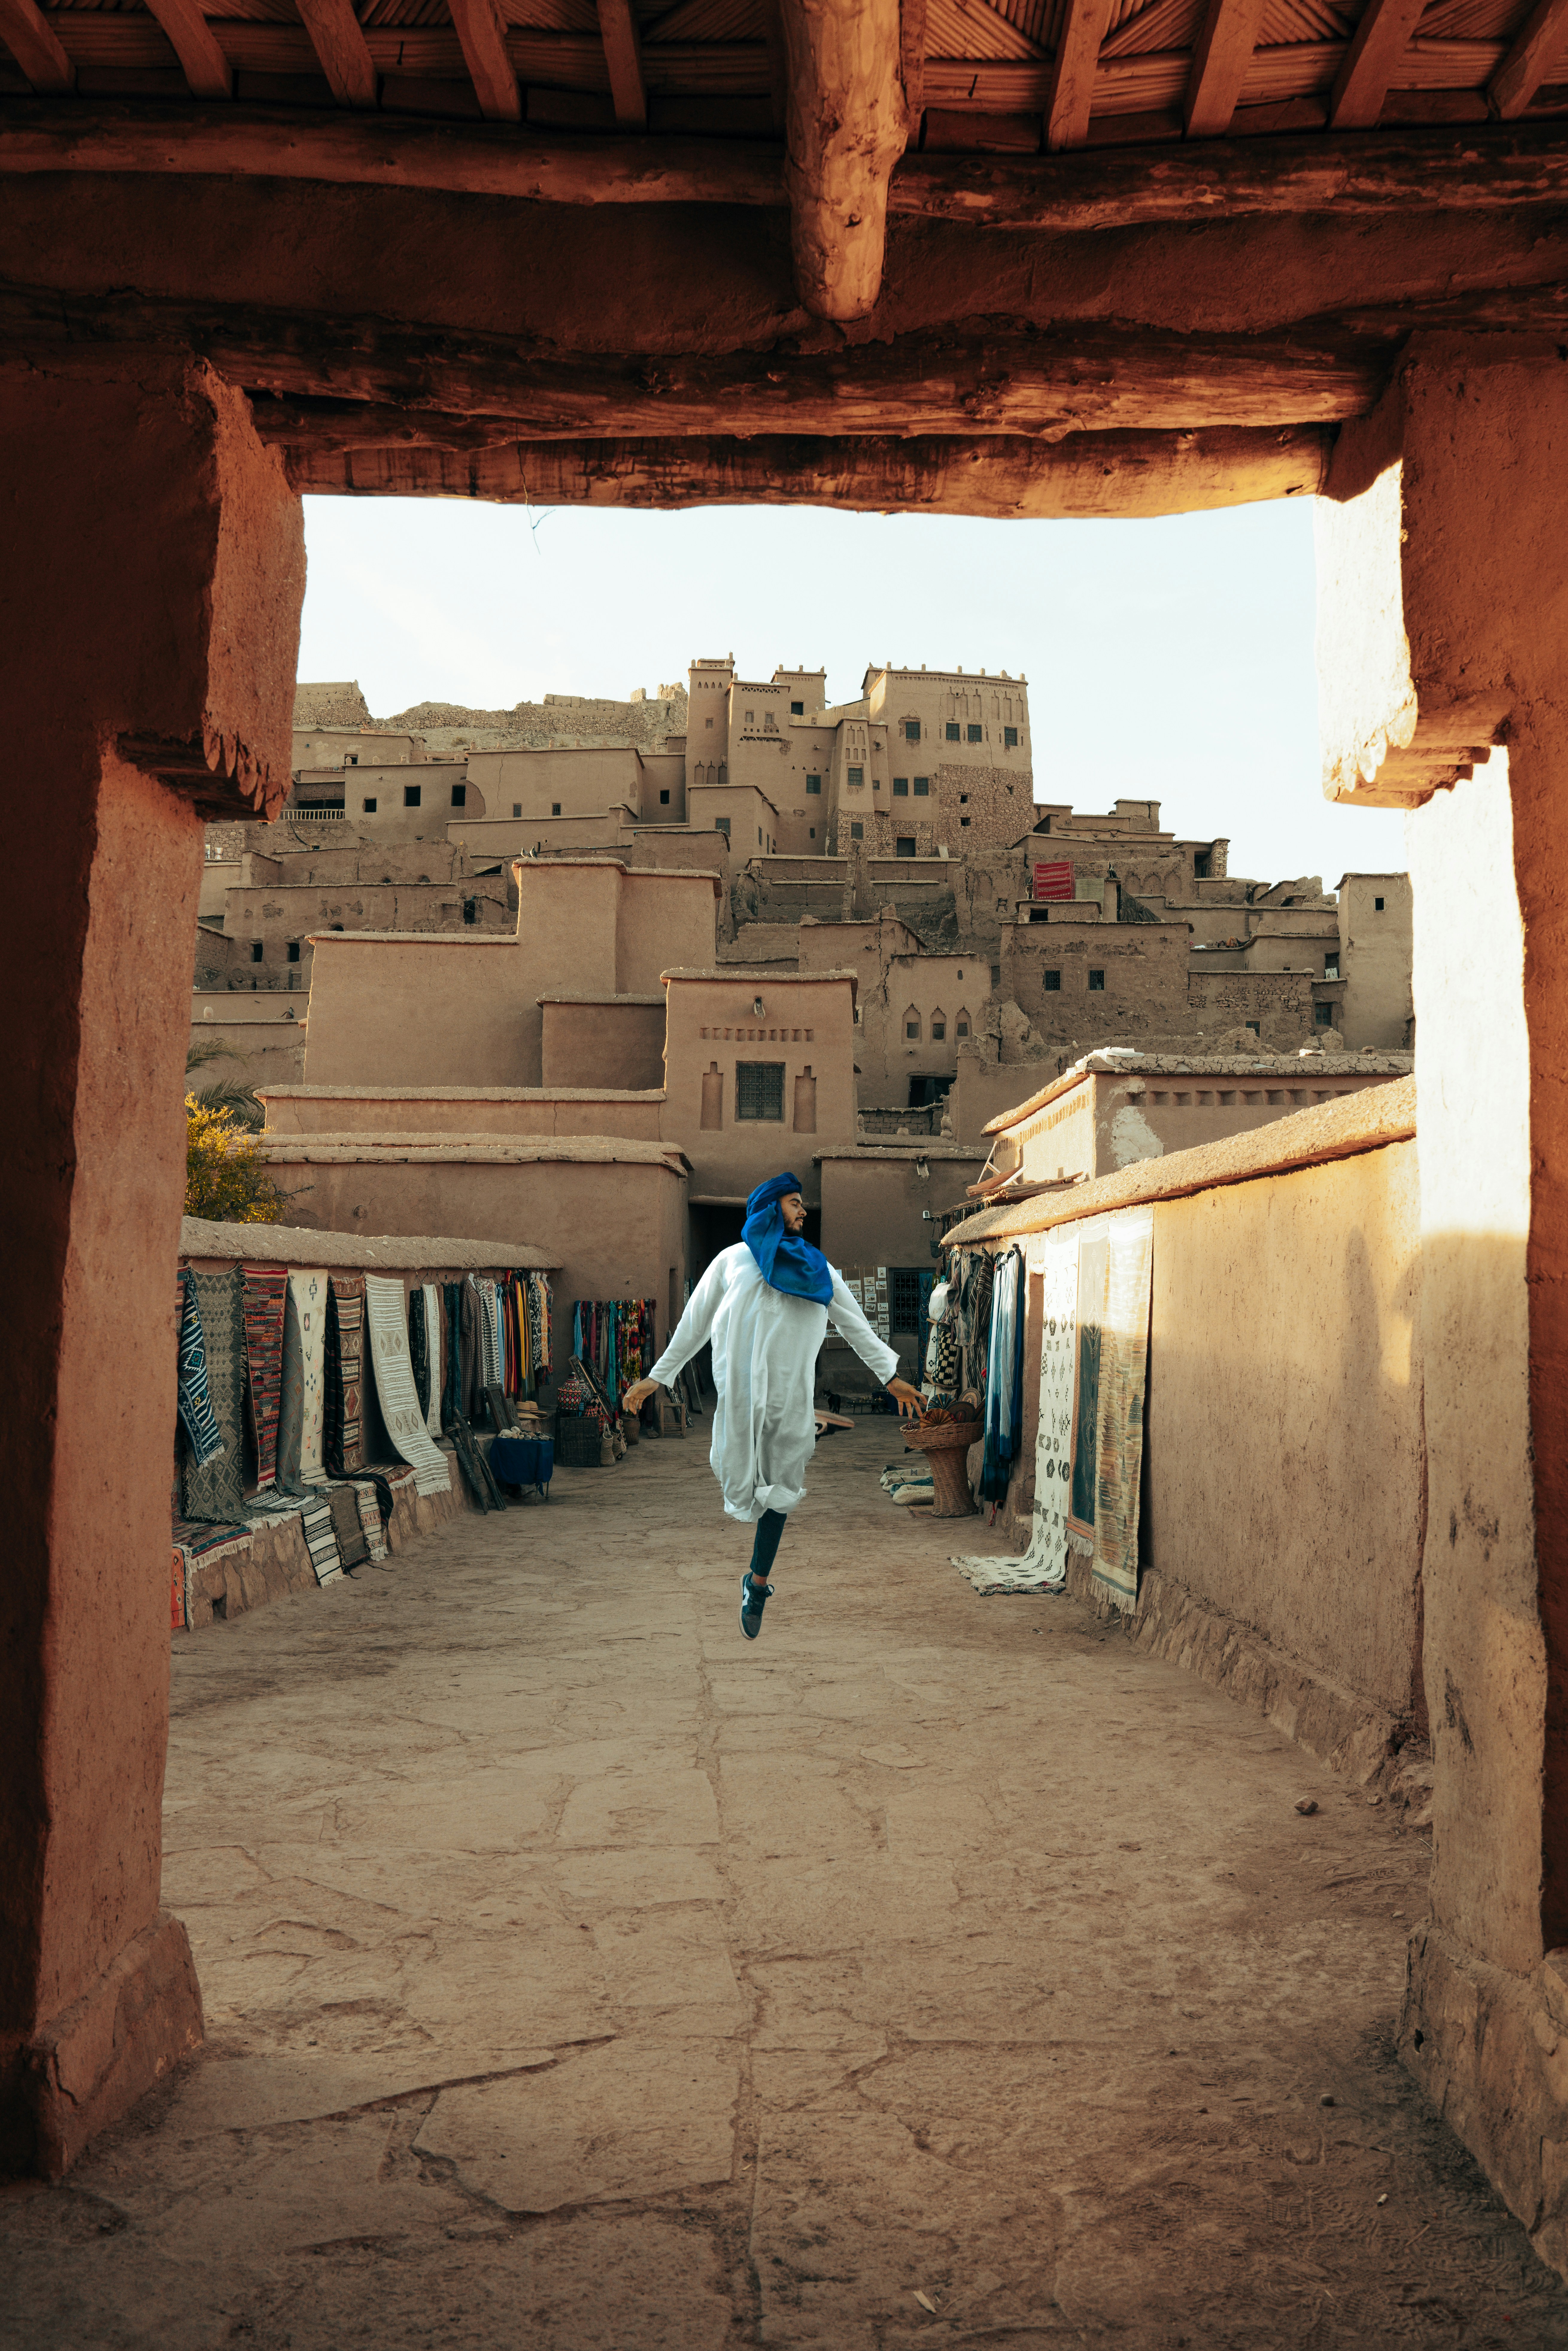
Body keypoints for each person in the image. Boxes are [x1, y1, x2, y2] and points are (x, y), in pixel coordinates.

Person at [623, 1174, 923, 1640]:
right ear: (769, 1207)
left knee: (784, 1484)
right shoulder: (733, 1261)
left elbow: (853, 1323)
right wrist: (656, 1378)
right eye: (795, 1203)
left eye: (803, 1204)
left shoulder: (819, 1268)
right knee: (738, 1478)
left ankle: (757, 1584)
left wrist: (891, 1376)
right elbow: (694, 1323)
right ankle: (754, 1567)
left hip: (790, 1396)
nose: (804, 1212)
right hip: (741, 1394)